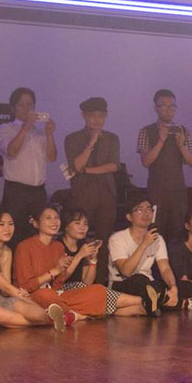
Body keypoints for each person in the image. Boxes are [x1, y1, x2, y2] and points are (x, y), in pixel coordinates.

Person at [14, 205, 146, 319]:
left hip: (57, 295)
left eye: (56, 218)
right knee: (46, 294)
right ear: (36, 223)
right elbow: (25, 286)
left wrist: (91, 260)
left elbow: (59, 284)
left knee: (97, 290)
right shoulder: (25, 247)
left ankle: (70, 315)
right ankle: (73, 314)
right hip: (33, 296)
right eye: (48, 218)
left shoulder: (57, 247)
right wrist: (55, 270)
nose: (54, 221)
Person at [0, 210, 72, 330]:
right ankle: (52, 321)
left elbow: (5, 290)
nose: (7, 228)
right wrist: (18, 293)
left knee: (22, 304)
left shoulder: (6, 251)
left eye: (10, 224)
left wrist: (21, 294)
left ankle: (50, 316)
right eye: (1, 224)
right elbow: (4, 286)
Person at [108, 193, 192, 314]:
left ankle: (157, 302)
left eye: (149, 209)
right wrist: (144, 244)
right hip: (122, 284)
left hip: (150, 285)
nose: (146, 213)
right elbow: (126, 271)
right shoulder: (117, 238)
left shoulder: (157, 238)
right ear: (129, 217)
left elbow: (165, 268)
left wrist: (173, 287)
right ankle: (183, 303)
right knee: (139, 280)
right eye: (140, 209)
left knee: (183, 286)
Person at [63, 96, 120, 284]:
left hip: (106, 196)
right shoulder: (72, 138)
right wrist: (92, 142)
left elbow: (113, 166)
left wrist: (87, 171)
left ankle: (101, 284)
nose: (97, 120)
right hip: (82, 196)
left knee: (103, 242)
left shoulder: (112, 138)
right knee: (80, 239)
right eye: (93, 116)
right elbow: (76, 165)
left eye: (101, 116)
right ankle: (76, 282)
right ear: (84, 116)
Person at [0, 87, 56, 245]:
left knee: (38, 236)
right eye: (22, 105)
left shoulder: (40, 132)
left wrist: (49, 134)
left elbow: (52, 157)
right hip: (17, 192)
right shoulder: (6, 128)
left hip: (38, 192)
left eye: (30, 105)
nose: (27, 109)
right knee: (14, 236)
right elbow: (11, 151)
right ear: (13, 108)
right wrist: (25, 127)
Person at [138, 89, 192, 241]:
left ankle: (175, 265)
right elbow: (146, 162)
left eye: (172, 106)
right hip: (156, 191)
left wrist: (181, 145)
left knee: (177, 232)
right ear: (155, 108)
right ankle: (155, 265)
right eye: (164, 106)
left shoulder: (183, 131)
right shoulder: (146, 131)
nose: (169, 109)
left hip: (178, 191)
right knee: (155, 231)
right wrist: (161, 140)